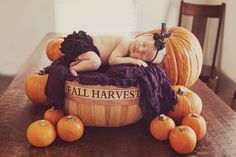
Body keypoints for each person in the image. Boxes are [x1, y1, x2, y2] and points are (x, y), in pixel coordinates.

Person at [59, 30, 167, 76]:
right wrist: (133, 60)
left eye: (143, 56)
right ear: (141, 36)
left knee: (94, 61)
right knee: (95, 62)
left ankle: (78, 61)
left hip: (88, 52)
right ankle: (73, 68)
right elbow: (112, 60)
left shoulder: (129, 49)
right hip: (84, 45)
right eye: (143, 44)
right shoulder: (126, 42)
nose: (139, 50)